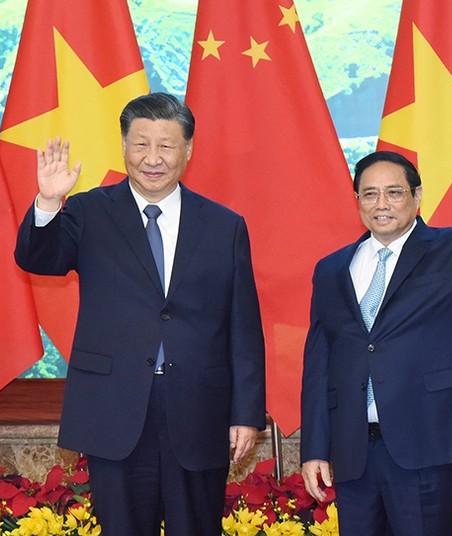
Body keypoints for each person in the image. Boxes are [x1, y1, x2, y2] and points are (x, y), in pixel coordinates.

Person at [14, 92, 266, 536]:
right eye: (141, 144)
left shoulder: (224, 225)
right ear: (124, 147)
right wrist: (49, 204)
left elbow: (243, 326)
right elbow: (39, 258)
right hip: (115, 408)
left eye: (166, 146)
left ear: (188, 150)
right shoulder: (90, 210)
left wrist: (245, 413)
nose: (153, 158)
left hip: (199, 408)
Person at [300, 133, 452, 535]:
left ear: (417, 196)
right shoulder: (332, 269)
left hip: (428, 444)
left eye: (393, 192)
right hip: (354, 453)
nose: (381, 203)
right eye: (369, 194)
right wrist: (315, 448)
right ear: (356, 200)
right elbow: (320, 362)